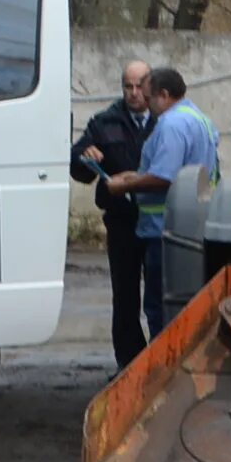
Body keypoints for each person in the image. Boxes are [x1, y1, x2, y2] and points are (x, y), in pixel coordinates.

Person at [105, 64, 216, 333]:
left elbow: (164, 177)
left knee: (160, 307)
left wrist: (125, 185)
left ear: (163, 95)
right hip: (193, 225)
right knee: (185, 303)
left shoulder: (171, 124)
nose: (144, 102)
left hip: (164, 229)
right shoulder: (198, 118)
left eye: (148, 96)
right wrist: (136, 174)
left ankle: (163, 368)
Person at [71, 60, 153, 370]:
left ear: (151, 86)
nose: (133, 94)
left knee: (159, 297)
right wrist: (85, 156)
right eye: (127, 87)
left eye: (139, 86)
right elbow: (77, 164)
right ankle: (129, 366)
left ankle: (161, 364)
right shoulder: (105, 122)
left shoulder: (166, 120)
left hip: (159, 223)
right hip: (122, 222)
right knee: (125, 297)